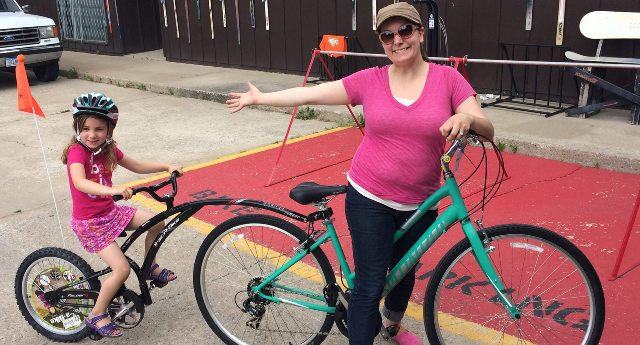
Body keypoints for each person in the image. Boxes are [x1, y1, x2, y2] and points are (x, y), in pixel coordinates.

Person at [226, 3, 494, 344]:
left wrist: (468, 119)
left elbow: (487, 128)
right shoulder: (371, 80)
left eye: (405, 31)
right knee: (369, 286)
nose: (397, 40)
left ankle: (392, 325)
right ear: (382, 41)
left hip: (422, 202)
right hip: (370, 198)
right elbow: (312, 94)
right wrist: (261, 98)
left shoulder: (448, 79)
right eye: (387, 35)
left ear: (420, 33)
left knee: (404, 272)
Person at [60, 93, 183, 338]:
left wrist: (166, 166)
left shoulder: (109, 149)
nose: (92, 135)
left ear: (109, 130)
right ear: (77, 129)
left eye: (99, 129)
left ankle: (150, 267)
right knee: (121, 270)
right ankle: (97, 314)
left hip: (110, 212)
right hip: (90, 223)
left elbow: (136, 165)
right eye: (85, 128)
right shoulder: (77, 152)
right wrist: (113, 190)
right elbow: (80, 182)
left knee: (157, 222)